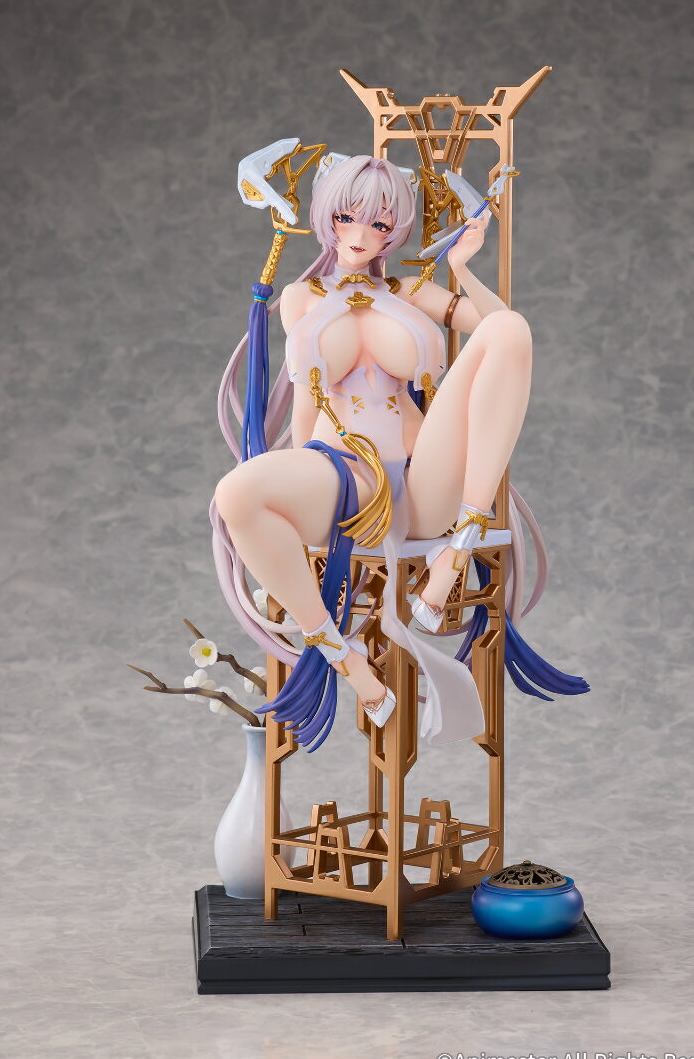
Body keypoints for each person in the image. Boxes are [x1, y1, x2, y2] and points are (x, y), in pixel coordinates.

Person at [212, 155, 587, 751]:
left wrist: (461, 269)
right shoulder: (301, 297)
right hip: (344, 476)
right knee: (235, 493)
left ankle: (456, 552)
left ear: (398, 230)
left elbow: (505, 334)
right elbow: (306, 405)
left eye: (380, 224)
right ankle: (344, 657)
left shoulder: (411, 290)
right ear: (325, 216)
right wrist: (290, 473)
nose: (360, 236)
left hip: (424, 479)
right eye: (347, 217)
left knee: (512, 329)